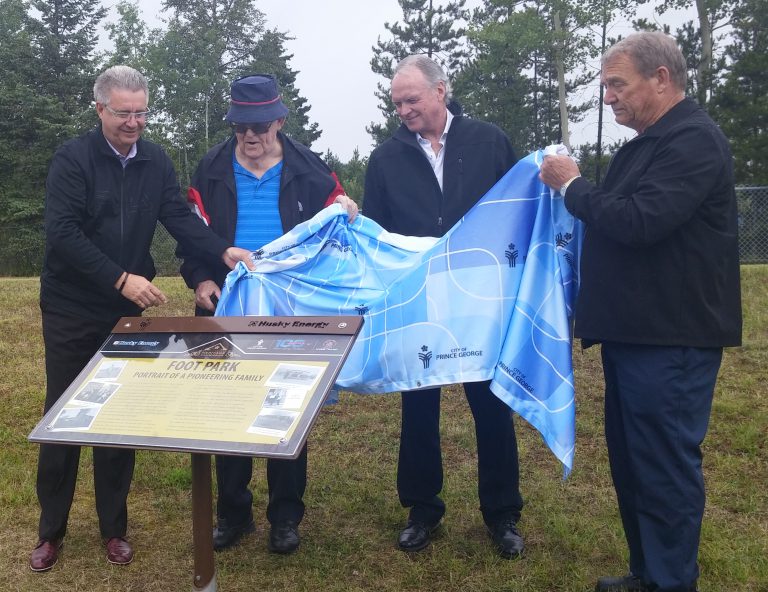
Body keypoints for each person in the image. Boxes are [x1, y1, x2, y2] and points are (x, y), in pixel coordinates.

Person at [540, 32, 742, 592]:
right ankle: (648, 574)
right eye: (605, 86)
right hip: (635, 336)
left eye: (617, 84)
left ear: (661, 78)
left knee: (665, 470)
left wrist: (573, 186)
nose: (608, 98)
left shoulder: (693, 141)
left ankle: (672, 581)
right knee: (635, 466)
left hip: (672, 340)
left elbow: (639, 222)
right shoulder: (647, 144)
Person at [32, 65, 254, 573]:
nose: (134, 123)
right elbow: (63, 234)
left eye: (141, 113)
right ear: (100, 109)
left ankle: (114, 529)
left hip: (122, 313)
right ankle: (51, 532)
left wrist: (222, 251)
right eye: (123, 113)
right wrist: (121, 278)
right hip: (70, 306)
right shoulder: (73, 159)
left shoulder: (155, 161)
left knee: (115, 417)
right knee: (65, 414)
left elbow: (177, 216)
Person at [178, 74, 358, 555]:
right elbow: (192, 236)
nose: (250, 138)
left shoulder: (312, 170)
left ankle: (285, 516)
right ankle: (233, 514)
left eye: (259, 127)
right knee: (226, 409)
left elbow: (337, 232)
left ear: (279, 120)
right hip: (224, 304)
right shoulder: (211, 168)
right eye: (240, 128)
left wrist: (349, 210)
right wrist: (201, 278)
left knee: (286, 407)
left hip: (289, 308)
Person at [362, 55, 524, 558]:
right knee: (418, 404)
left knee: (491, 406)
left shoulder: (490, 141)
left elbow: (518, 209)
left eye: (412, 99)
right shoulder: (385, 159)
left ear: (441, 91)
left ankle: (502, 513)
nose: (404, 110)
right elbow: (377, 231)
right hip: (418, 296)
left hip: (481, 296)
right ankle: (421, 509)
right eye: (397, 103)